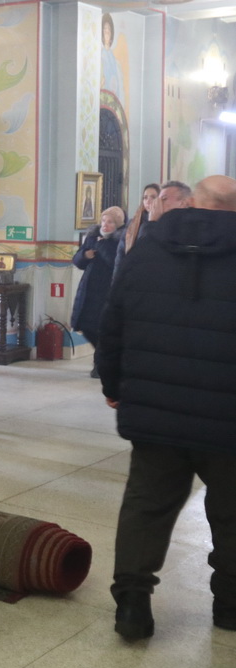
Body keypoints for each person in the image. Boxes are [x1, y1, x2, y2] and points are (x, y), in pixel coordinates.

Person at [98, 174, 236, 641]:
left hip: (156, 409)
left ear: (192, 202)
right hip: (228, 417)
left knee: (146, 507)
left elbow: (113, 321)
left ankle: (132, 606)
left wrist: (113, 384)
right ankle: (230, 607)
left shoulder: (147, 248)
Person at [71, 205, 124, 377]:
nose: (105, 225)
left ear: (117, 225)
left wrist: (101, 246)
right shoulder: (93, 236)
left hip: (107, 291)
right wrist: (84, 256)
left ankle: (100, 364)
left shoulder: (120, 240)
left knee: (103, 328)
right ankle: (102, 360)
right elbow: (77, 260)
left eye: (110, 222)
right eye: (103, 221)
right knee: (87, 326)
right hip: (89, 290)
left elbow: (115, 262)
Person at [116, 182, 160, 273]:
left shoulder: (164, 223)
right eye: (145, 197)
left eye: (153, 197)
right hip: (132, 270)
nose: (148, 201)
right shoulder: (134, 223)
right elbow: (121, 252)